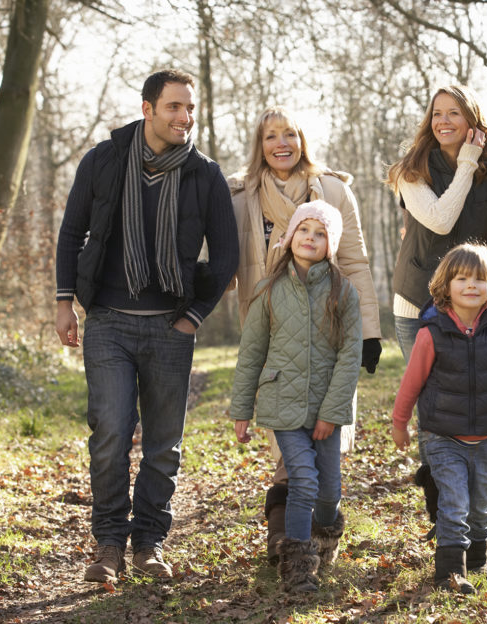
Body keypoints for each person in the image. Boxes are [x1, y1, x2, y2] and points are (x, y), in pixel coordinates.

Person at [55, 69, 239, 583]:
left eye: (191, 109)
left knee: (164, 443)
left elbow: (226, 256)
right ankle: (109, 544)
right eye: (175, 107)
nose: (185, 117)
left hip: (169, 327)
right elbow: (72, 232)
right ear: (148, 109)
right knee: (111, 432)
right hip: (108, 322)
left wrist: (193, 317)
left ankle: (149, 542)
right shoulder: (105, 159)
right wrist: (63, 301)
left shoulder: (204, 174)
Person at [228, 106, 381, 561]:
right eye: (271, 136)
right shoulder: (241, 197)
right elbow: (221, 264)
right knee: (289, 443)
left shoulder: (333, 190)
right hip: (275, 329)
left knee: (321, 443)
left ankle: (306, 533)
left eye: (290, 134)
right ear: (260, 144)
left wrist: (369, 331)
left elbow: (354, 260)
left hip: (331, 328)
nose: (281, 143)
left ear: (302, 140)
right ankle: (290, 541)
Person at [385, 85, 487, 535]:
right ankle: (443, 517)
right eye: (437, 114)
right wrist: (468, 166)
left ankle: (471, 509)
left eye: (455, 113)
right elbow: (440, 220)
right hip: (418, 304)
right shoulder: (411, 170)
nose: (445, 121)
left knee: (469, 402)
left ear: (471, 118)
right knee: (436, 408)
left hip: (472, 306)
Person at [231, 200, 362, 594]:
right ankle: (299, 565)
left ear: (330, 244)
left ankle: (325, 538)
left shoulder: (343, 292)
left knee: (330, 492)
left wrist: (331, 412)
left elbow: (349, 357)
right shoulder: (268, 290)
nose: (311, 238)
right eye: (304, 230)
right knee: (302, 481)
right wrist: (241, 409)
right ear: (289, 239)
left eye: (320, 233)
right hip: (282, 404)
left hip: (326, 407)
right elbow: (251, 352)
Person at [391, 244, 487, 594]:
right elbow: (412, 382)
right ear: (446, 285)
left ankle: (478, 562)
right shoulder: (431, 333)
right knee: (454, 504)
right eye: (462, 278)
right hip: (442, 438)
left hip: (486, 438)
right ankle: (449, 574)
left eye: (479, 279)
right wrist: (400, 421)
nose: (471, 285)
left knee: (482, 506)